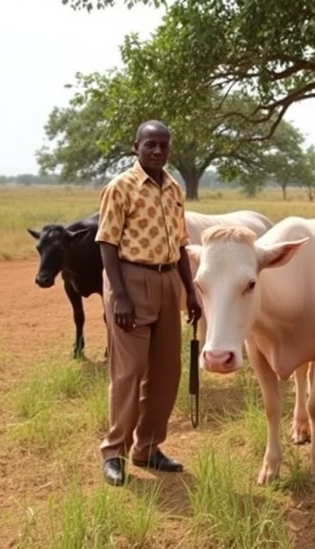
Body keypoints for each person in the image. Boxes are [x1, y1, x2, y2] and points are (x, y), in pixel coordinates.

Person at [94, 120, 202, 486]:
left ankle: (148, 447)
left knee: (166, 370)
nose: (157, 151)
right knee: (130, 371)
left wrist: (191, 290)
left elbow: (182, 244)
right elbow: (107, 242)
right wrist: (119, 295)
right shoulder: (120, 187)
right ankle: (114, 452)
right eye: (150, 145)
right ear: (135, 146)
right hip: (131, 279)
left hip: (168, 277)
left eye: (163, 146)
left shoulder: (174, 188)